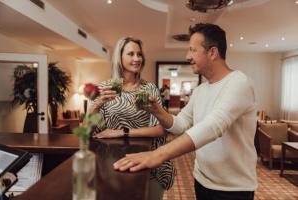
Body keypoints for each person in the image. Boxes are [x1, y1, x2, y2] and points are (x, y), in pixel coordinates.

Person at [113, 23, 258, 200]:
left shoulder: (239, 83)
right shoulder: (200, 90)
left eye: (192, 50)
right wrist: (158, 111)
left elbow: (213, 126)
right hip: (202, 180)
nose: (187, 56)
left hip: (232, 189)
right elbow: (180, 124)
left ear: (212, 52)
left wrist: (157, 155)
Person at [89, 36, 175, 200]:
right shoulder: (104, 88)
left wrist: (122, 132)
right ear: (119, 57)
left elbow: (161, 129)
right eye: (131, 54)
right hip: (110, 162)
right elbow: (86, 130)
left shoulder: (148, 88)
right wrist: (96, 105)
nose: (137, 59)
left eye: (139, 54)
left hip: (147, 164)